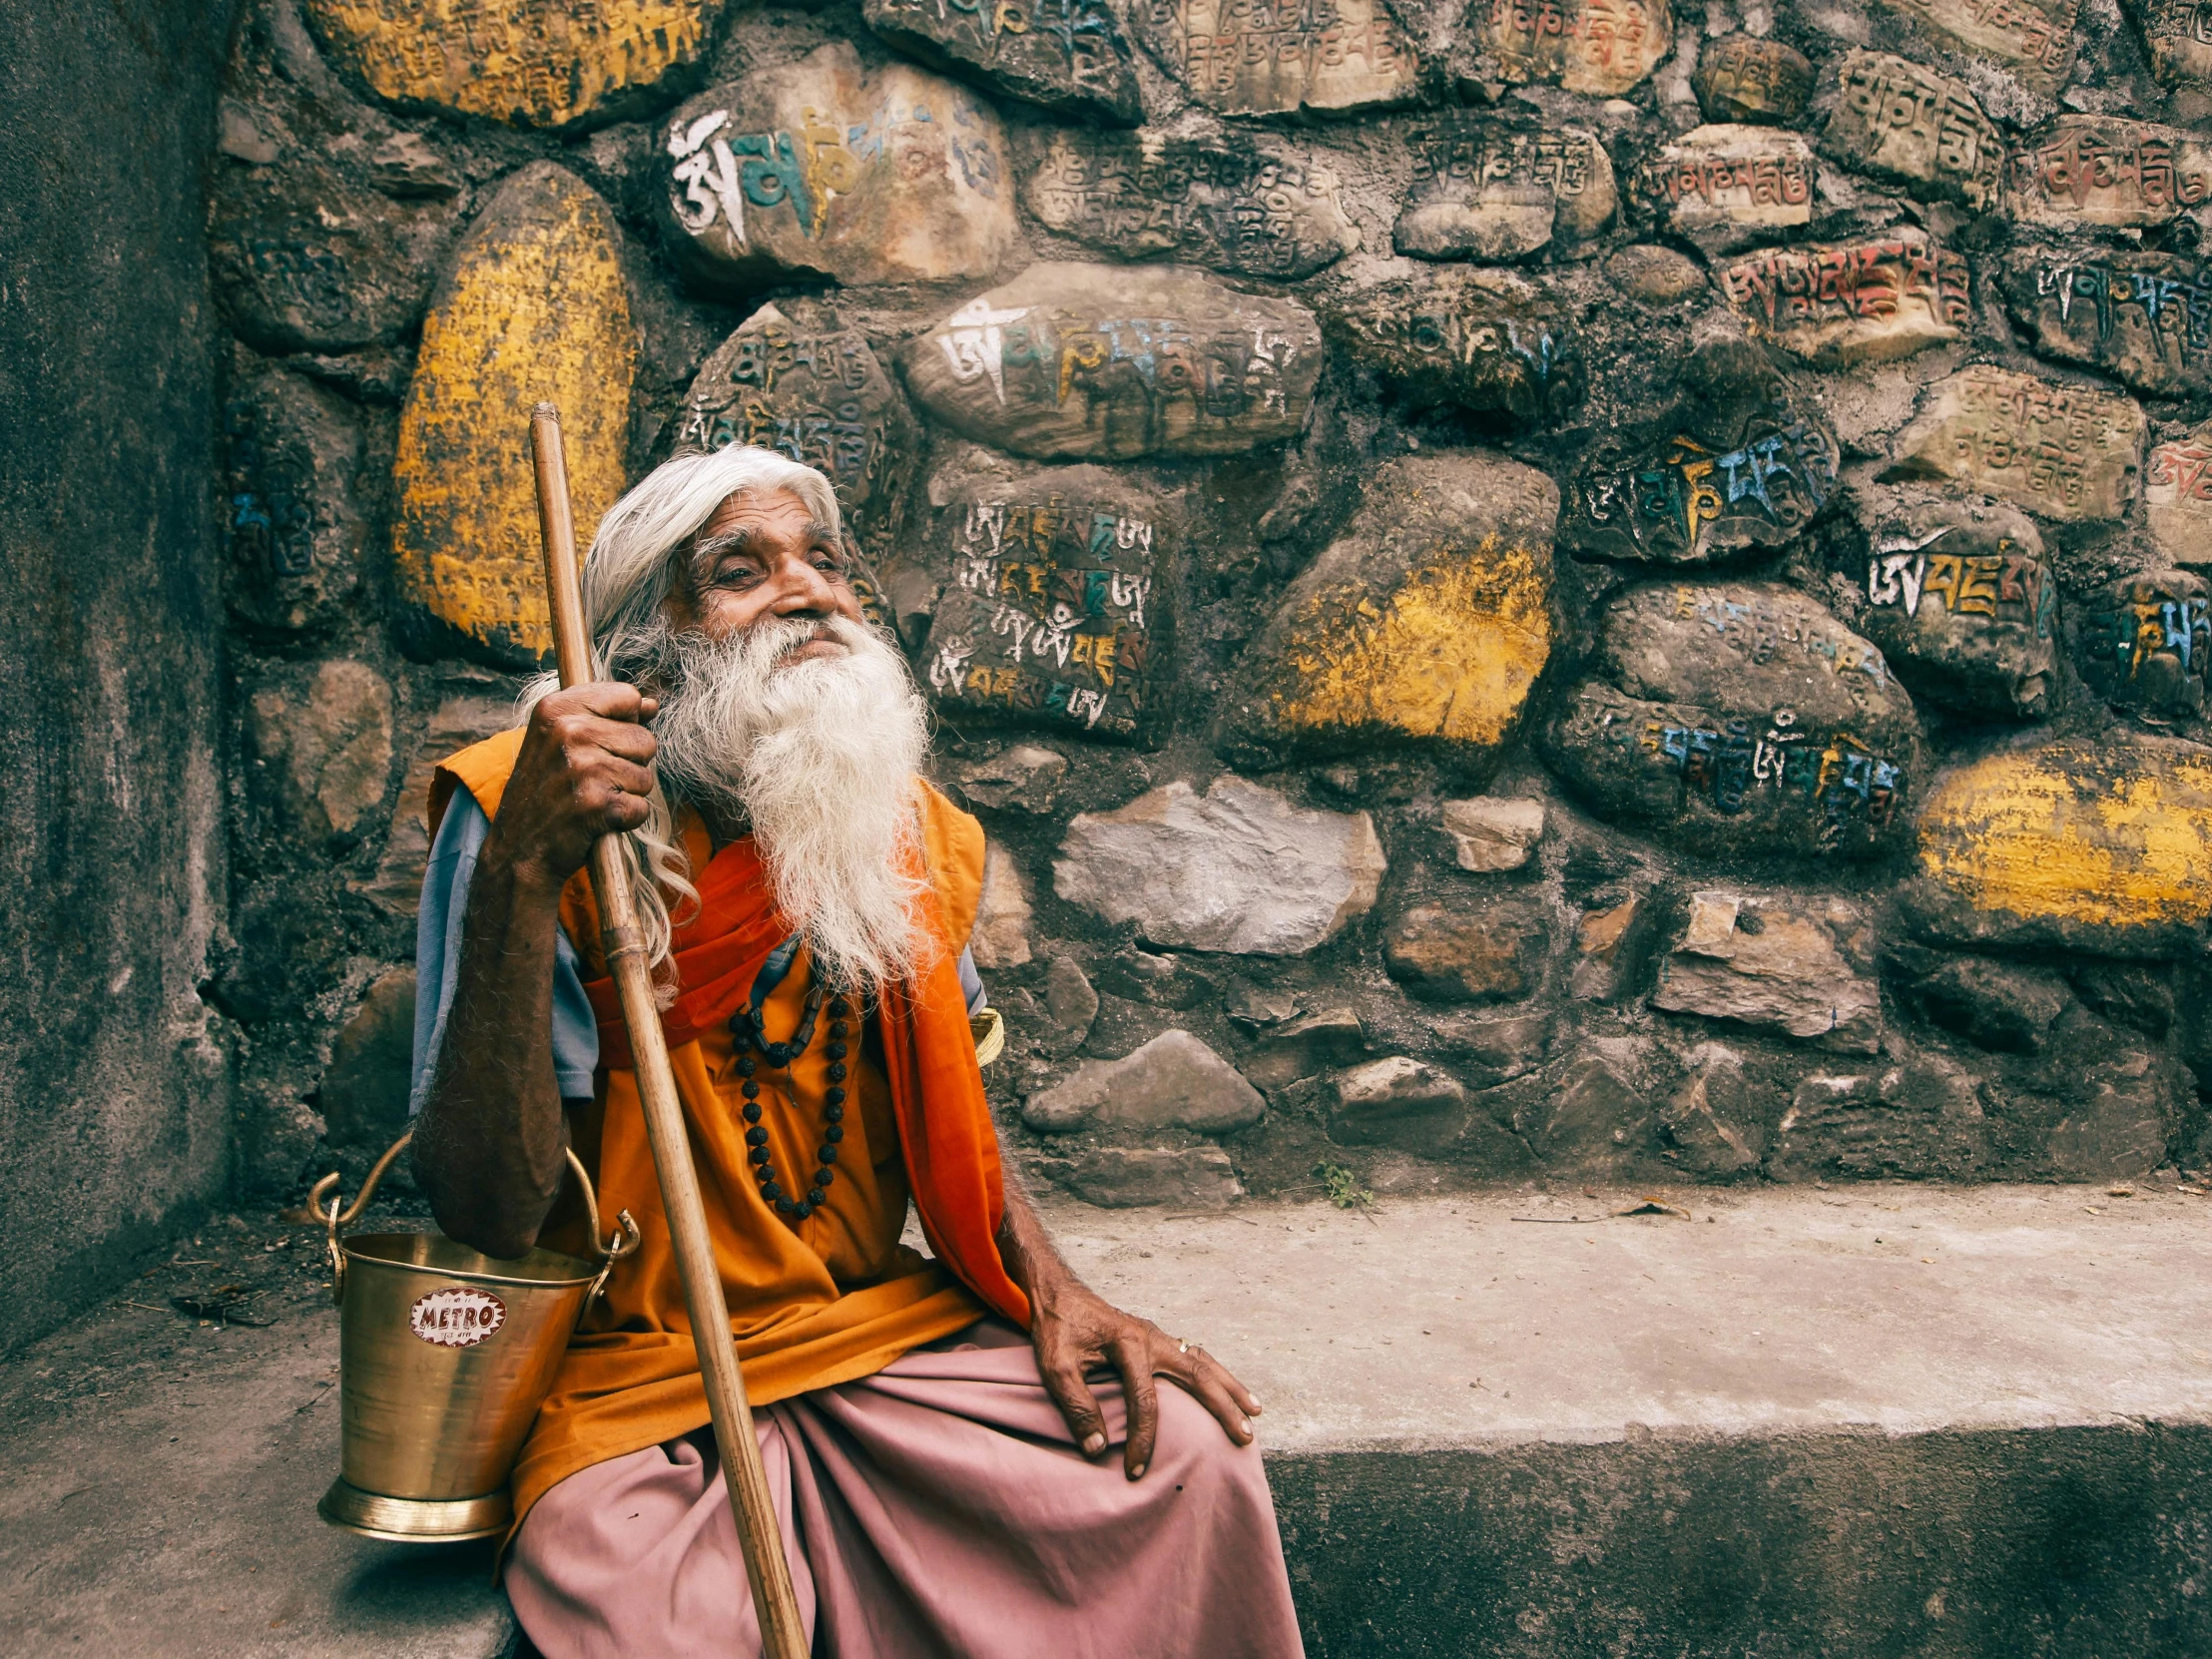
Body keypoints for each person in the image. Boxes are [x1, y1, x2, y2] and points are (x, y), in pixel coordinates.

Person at [407, 442, 1305, 1658]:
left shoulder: (889, 819)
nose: (811, 590)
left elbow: (950, 1102)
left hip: (869, 1328)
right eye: (741, 569)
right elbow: (487, 1212)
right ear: (641, 653)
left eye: (825, 563)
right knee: (664, 1627)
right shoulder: (525, 805)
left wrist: (1055, 1288)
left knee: (1180, 1458)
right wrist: (524, 871)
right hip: (630, 1374)